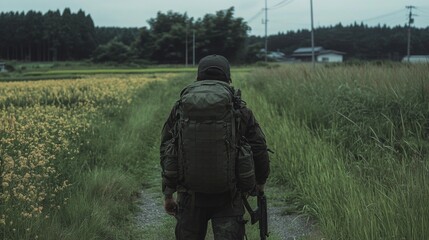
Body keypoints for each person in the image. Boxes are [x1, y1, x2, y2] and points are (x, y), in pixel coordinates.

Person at [160, 54, 270, 240]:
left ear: (198, 78)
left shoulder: (181, 108)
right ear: (228, 78)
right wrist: (259, 183)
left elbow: (167, 149)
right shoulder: (239, 109)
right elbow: (258, 147)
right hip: (229, 196)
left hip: (189, 196)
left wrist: (168, 193)